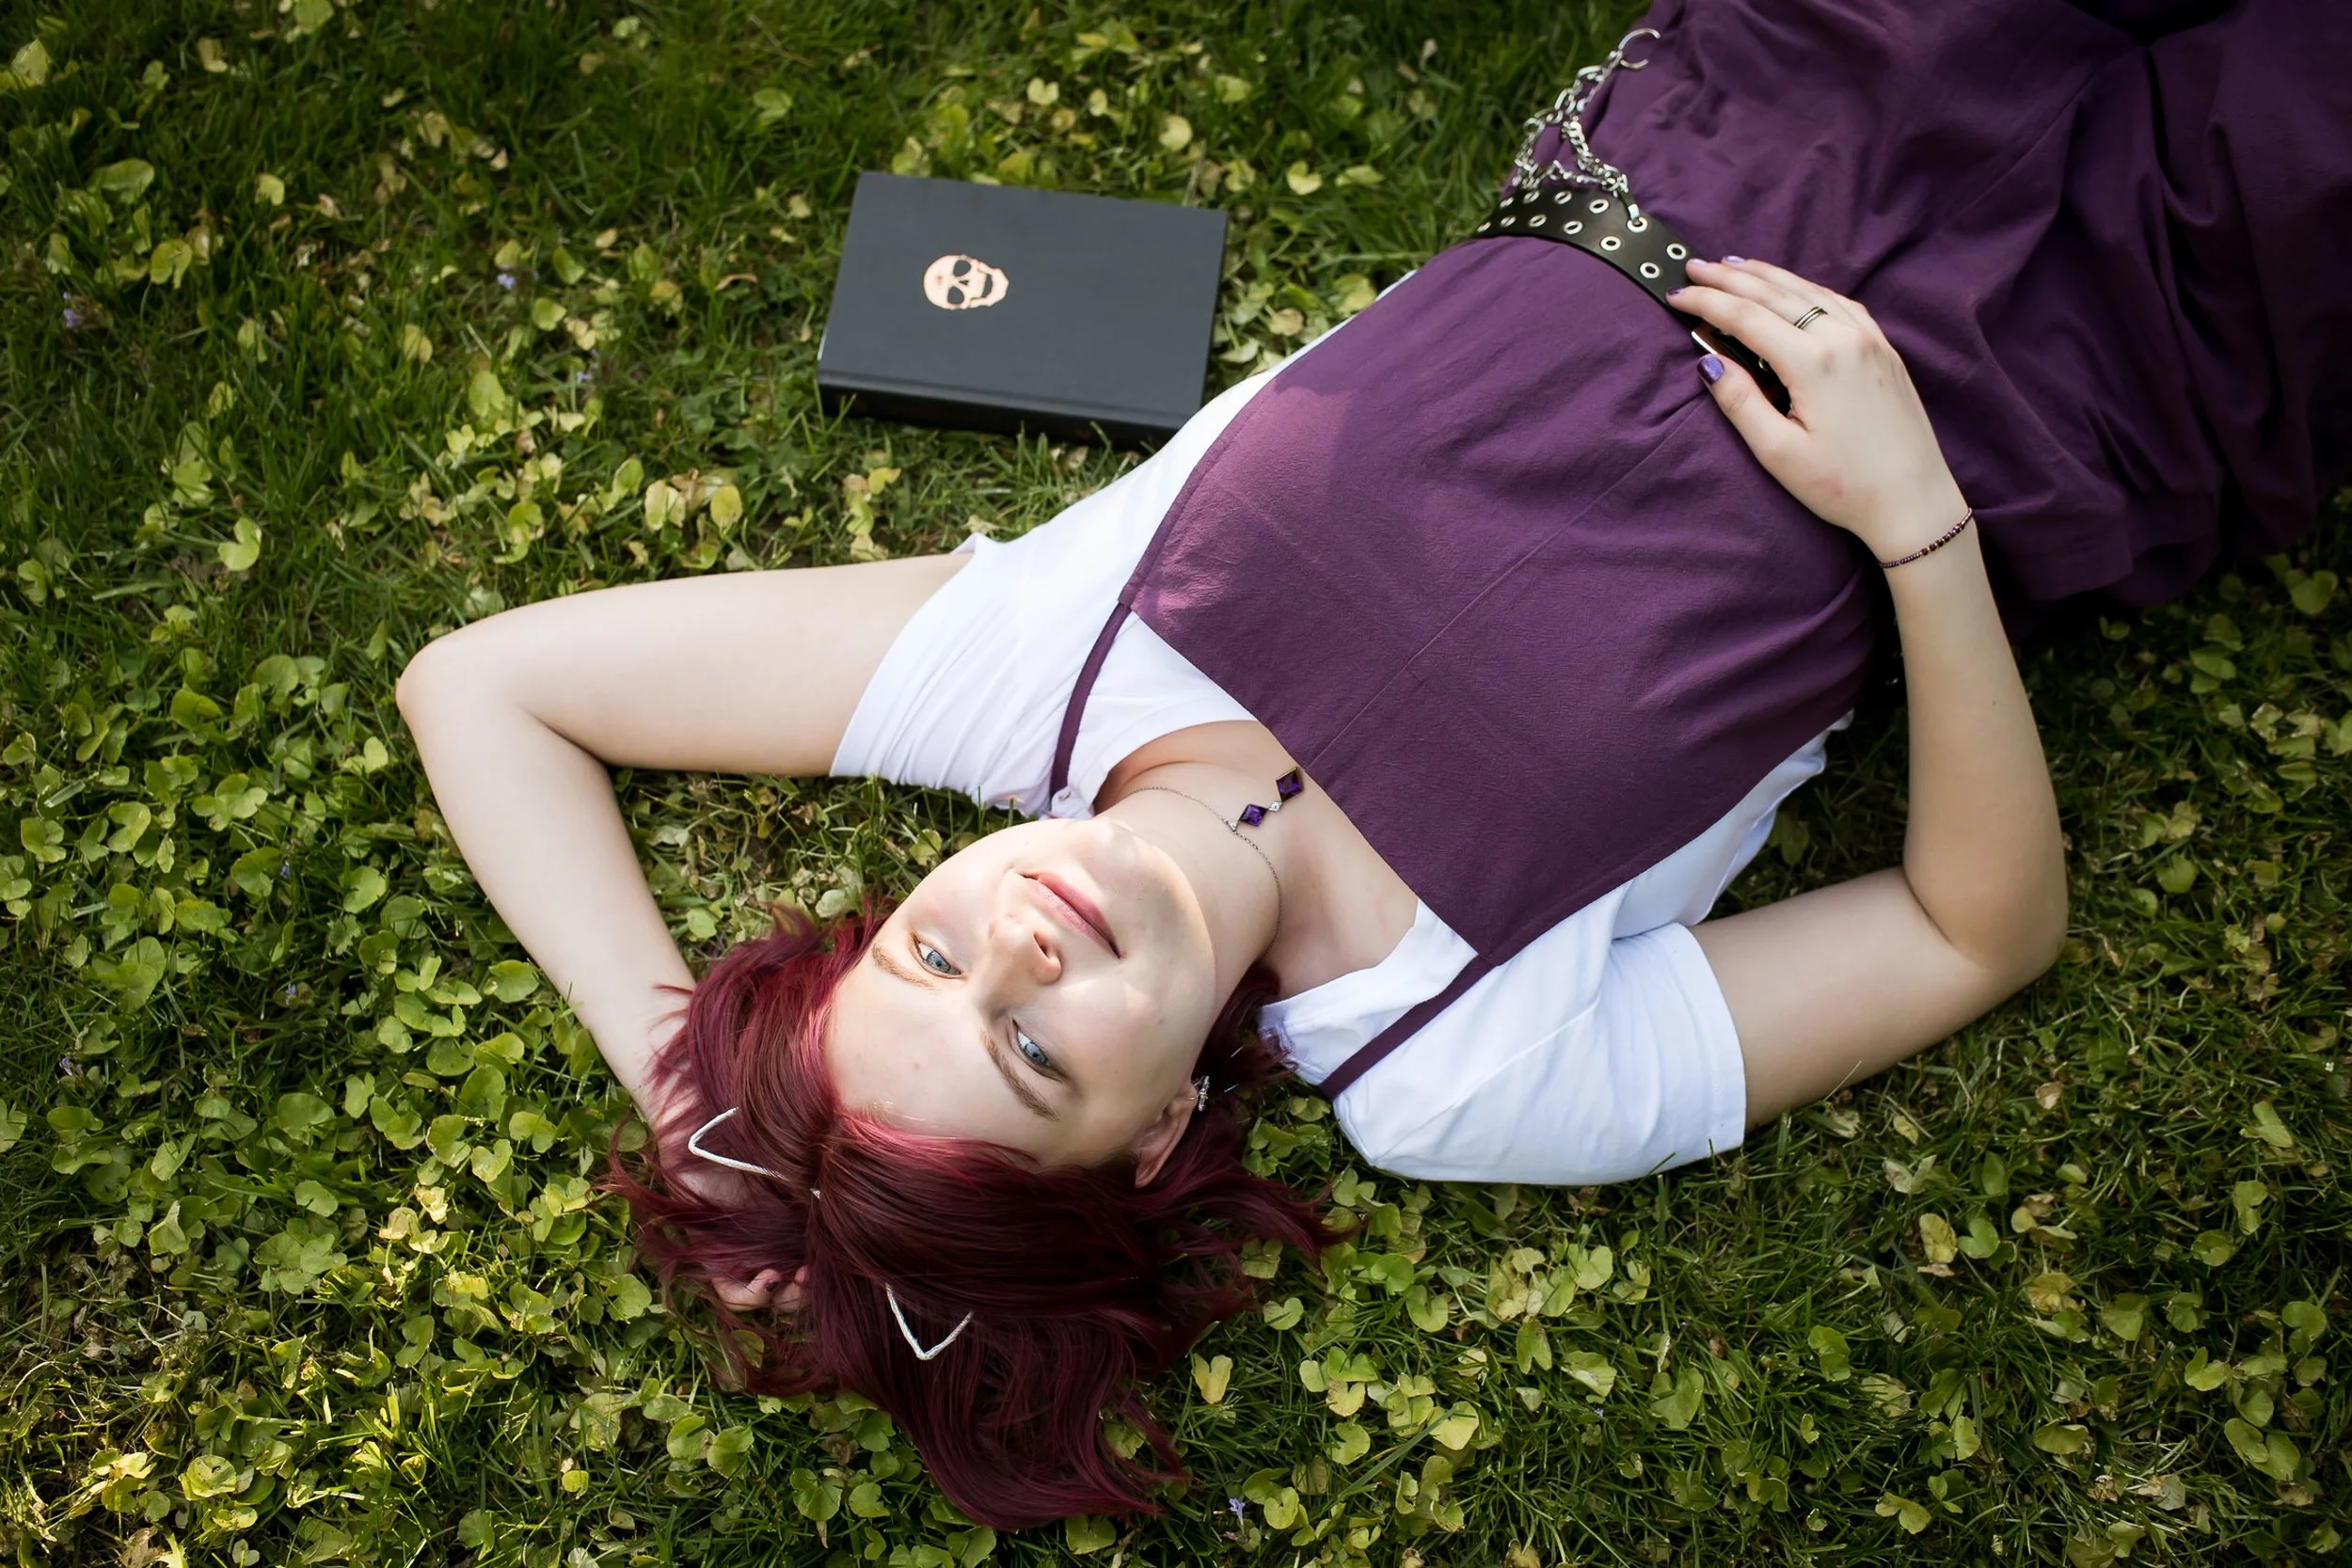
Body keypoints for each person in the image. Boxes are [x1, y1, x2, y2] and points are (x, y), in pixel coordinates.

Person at [395, 0, 2349, 1528]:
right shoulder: (1457, 1065)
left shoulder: (1017, 679)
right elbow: (1963, 928)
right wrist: (1914, 516)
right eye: (1034, 1052)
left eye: (927, 953)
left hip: (1799, 83)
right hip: (2096, 357)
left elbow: (481, 685)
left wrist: (694, 1099)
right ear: (1149, 1143)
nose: (1027, 934)